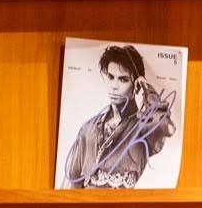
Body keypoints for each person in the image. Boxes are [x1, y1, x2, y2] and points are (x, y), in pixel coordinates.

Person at [61, 44, 177, 189]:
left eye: (123, 79)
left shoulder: (142, 128)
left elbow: (168, 128)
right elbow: (70, 185)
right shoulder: (87, 129)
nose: (114, 86)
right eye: (111, 77)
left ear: (136, 85)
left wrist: (148, 90)